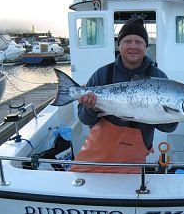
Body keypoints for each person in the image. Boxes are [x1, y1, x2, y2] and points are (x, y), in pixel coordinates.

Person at [70, 17, 178, 173]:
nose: (133, 46)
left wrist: (175, 114)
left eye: (139, 42)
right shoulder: (103, 74)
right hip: (98, 150)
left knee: (132, 195)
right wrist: (90, 107)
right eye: (127, 41)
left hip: (134, 155)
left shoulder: (159, 78)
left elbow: (168, 128)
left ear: (145, 47)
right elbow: (84, 118)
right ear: (119, 45)